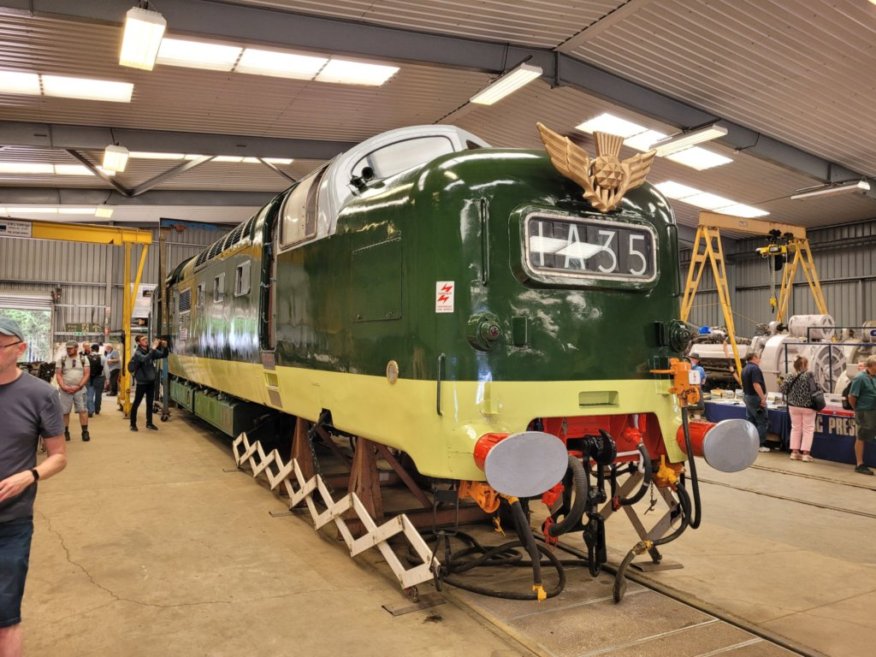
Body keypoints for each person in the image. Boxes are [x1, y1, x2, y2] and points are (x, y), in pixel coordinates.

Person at [0, 318, 67, 656]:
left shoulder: (40, 395)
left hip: (10, 523)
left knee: (5, 616)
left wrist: (31, 475)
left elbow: (58, 456)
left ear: (20, 349)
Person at [780, 355, 819, 462]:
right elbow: (817, 389)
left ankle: (794, 452)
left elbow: (783, 389)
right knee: (808, 429)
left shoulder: (790, 375)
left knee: (795, 428)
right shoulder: (810, 375)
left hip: (793, 405)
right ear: (805, 365)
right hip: (808, 406)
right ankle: (806, 454)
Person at [128, 335, 168, 432]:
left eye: (146, 339)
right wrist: (153, 349)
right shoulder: (137, 353)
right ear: (138, 342)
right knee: (136, 403)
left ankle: (149, 423)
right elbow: (145, 359)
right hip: (142, 383)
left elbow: (163, 355)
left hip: (150, 382)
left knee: (149, 404)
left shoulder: (150, 351)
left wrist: (165, 347)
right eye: (143, 340)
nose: (146, 341)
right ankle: (133, 424)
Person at [55, 341, 91, 442]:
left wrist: (79, 386)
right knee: (64, 412)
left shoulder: (84, 359)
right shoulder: (61, 360)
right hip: (64, 390)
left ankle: (85, 432)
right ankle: (65, 432)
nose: (68, 350)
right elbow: (58, 374)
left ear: (76, 348)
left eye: (71, 348)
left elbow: (86, 374)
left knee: (83, 410)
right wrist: (63, 386)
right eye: (67, 348)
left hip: (80, 389)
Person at [848, 354, 876, 475]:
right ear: (871, 366)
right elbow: (852, 396)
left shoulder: (874, 376)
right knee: (861, 437)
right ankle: (859, 464)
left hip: (873, 410)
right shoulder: (860, 378)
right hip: (864, 412)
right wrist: (857, 409)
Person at [741, 352, 770, 452]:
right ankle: (759, 445)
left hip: (747, 396)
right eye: (759, 358)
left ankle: (750, 442)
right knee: (762, 421)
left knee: (751, 420)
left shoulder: (745, 369)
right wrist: (762, 398)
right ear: (754, 357)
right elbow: (756, 384)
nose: (760, 360)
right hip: (755, 397)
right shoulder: (755, 368)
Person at [85, 343, 105, 418]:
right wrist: (108, 379)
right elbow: (105, 369)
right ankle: (97, 410)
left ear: (91, 349)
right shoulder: (103, 357)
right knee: (98, 394)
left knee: (89, 394)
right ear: (98, 349)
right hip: (100, 377)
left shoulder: (87, 357)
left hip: (89, 377)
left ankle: (90, 410)